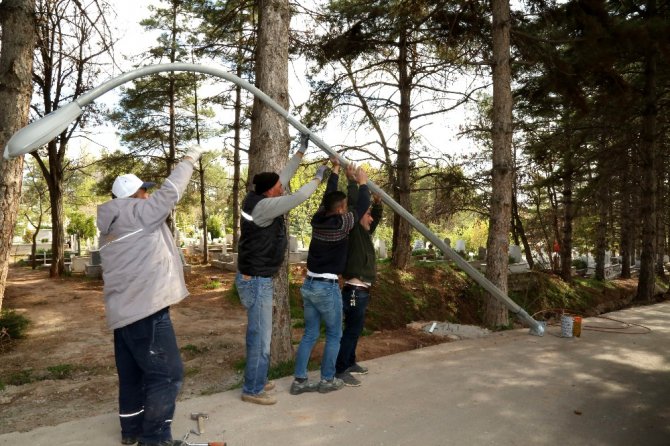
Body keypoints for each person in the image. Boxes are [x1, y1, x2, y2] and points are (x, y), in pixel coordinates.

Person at [97, 145, 209, 446]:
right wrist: (189, 159)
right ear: (135, 196)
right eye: (143, 191)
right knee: (168, 374)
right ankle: (156, 438)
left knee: (133, 375)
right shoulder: (137, 214)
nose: (148, 195)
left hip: (123, 314)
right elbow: (171, 192)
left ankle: (131, 432)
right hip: (146, 312)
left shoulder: (110, 226)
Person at [236, 135, 329, 405]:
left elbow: (283, 178)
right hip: (256, 281)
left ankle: (256, 378)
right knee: (261, 338)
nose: (281, 187)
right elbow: (299, 195)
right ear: (269, 191)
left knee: (258, 334)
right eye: (277, 186)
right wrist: (318, 177)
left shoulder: (257, 197)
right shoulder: (265, 207)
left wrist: (300, 151)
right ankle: (252, 390)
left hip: (253, 276)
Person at [291, 161, 369, 395]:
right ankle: (327, 380)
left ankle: (300, 382)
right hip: (326, 287)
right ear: (339, 210)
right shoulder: (341, 223)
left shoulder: (318, 219)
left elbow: (327, 197)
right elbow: (363, 205)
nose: (347, 210)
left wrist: (335, 172)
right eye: (344, 206)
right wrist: (362, 183)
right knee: (335, 333)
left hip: (309, 284)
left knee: (310, 334)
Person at [334, 173, 383, 387]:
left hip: (362, 291)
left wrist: (378, 204)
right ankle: (340, 369)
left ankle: (350, 362)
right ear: (360, 215)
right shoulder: (354, 230)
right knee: (351, 329)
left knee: (355, 329)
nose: (371, 219)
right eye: (369, 214)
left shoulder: (364, 233)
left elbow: (375, 220)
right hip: (354, 291)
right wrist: (354, 183)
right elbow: (355, 203)